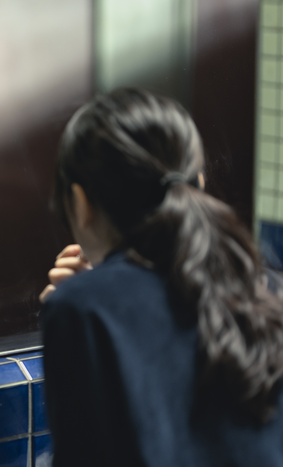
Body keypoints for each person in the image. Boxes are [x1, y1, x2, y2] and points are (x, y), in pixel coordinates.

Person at [41, 88, 283, 466]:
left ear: (81, 204)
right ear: (198, 183)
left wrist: (89, 294)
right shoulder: (264, 288)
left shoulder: (81, 309)